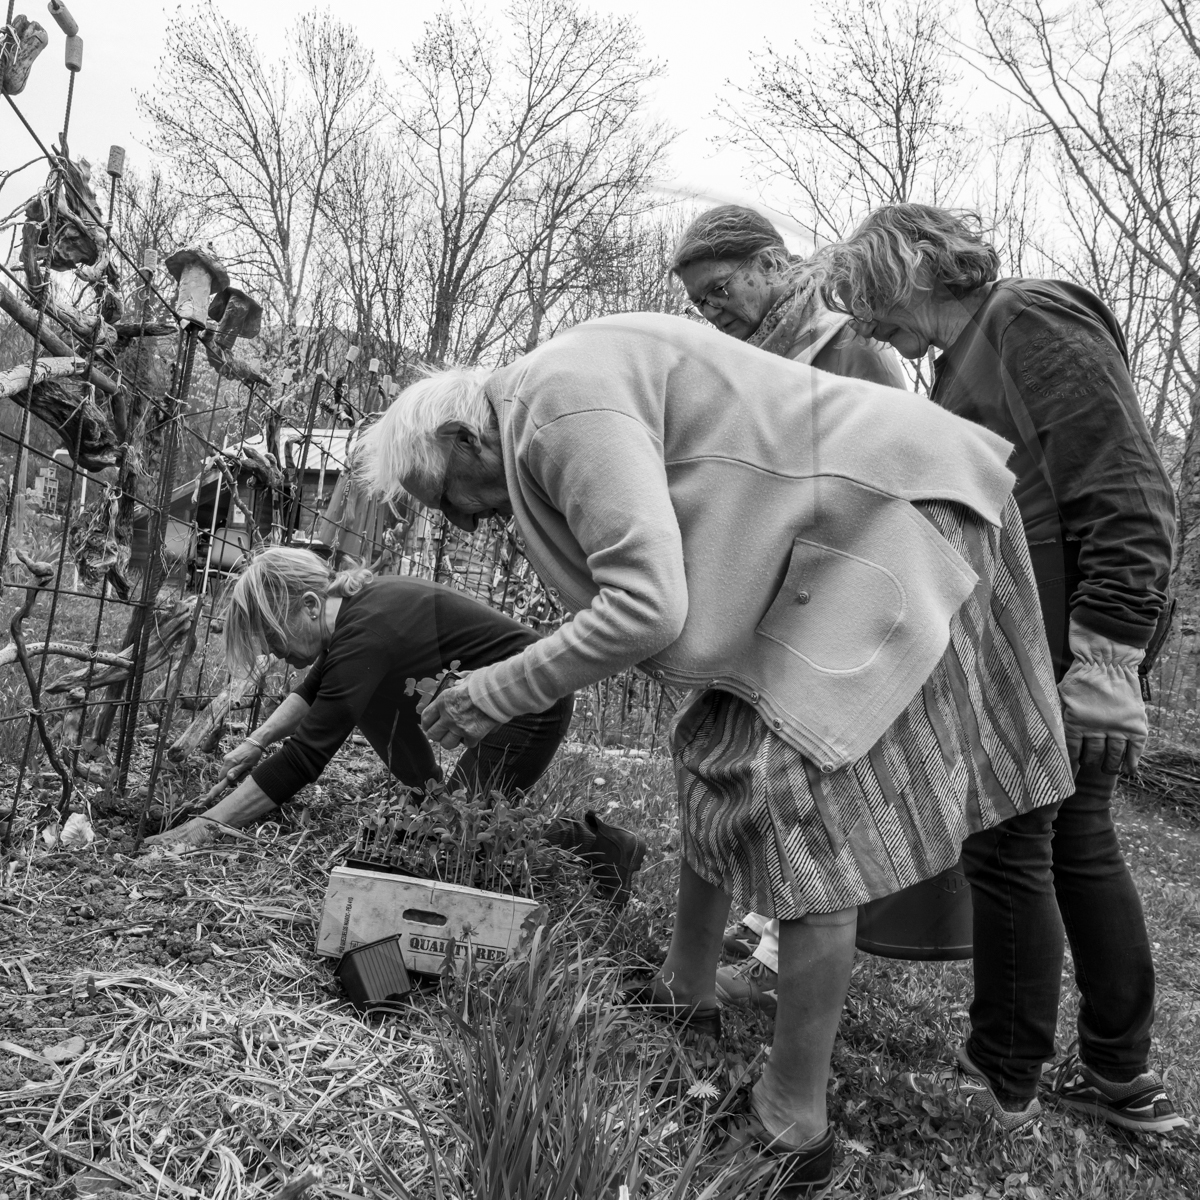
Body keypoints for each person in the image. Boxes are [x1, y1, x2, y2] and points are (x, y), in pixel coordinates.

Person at [357, 315, 1073, 1191]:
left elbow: (646, 608)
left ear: (465, 437)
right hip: (833, 528)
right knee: (710, 744)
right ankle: (687, 985)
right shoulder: (557, 392)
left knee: (797, 793)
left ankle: (791, 1120)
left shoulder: (553, 409)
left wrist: (494, 692)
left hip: (894, 509)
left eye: (445, 496)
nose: (462, 524)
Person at [818, 203, 1184, 1135]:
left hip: (1068, 621)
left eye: (869, 301)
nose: (867, 329)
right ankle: (1117, 1076)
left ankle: (1002, 1079)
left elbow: (1128, 490)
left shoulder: (1029, 316)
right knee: (1070, 841)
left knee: (1013, 843)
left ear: (912, 266)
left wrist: (1107, 655)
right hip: (1024, 619)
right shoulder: (957, 365)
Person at [670, 206, 909, 1017]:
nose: (713, 311)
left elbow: (890, 476)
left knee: (804, 789)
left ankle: (776, 959)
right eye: (699, 303)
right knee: (731, 768)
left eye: (720, 288)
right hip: (764, 590)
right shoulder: (752, 359)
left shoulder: (851, 347)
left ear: (772, 263)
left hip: (835, 594)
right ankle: (742, 935)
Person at [142, 549, 646, 905]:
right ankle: (430, 800)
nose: (275, 654)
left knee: (462, 835)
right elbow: (313, 692)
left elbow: (306, 757)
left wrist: (203, 828)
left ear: (310, 605)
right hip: (508, 701)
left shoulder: (366, 632)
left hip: (531, 708)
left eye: (274, 637)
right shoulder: (356, 616)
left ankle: (597, 846)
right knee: (380, 721)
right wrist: (254, 743)